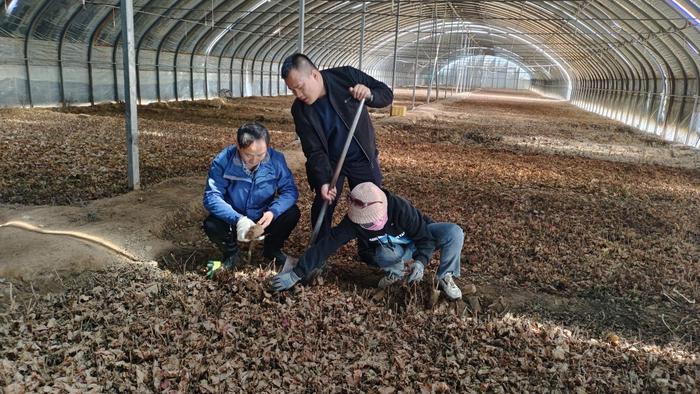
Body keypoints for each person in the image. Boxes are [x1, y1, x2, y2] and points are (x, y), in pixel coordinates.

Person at [281, 54, 393, 261]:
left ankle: (369, 250)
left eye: (299, 86)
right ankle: (319, 251)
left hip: (361, 157)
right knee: (324, 202)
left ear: (314, 75)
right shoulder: (300, 110)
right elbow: (313, 150)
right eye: (292, 90)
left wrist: (370, 95)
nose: (298, 94)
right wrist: (323, 181)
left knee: (372, 202)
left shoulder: (346, 76)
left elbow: (386, 94)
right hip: (331, 162)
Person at [271, 182, 464, 300]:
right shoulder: (353, 222)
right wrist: (297, 274)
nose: (371, 223)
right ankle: (395, 274)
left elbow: (425, 239)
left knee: (454, 232)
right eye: (367, 221)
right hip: (393, 251)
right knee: (386, 253)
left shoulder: (400, 208)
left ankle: (445, 276)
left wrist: (421, 262)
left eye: (374, 219)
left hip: (417, 239)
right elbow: (327, 244)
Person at [202, 122, 300, 271]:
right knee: (212, 224)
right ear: (238, 146)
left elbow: (290, 191)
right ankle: (232, 254)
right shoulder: (223, 161)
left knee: (292, 213)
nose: (254, 160)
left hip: (263, 218)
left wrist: (273, 212)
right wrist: (238, 219)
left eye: (260, 154)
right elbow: (211, 196)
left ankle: (272, 249)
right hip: (234, 218)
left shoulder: (276, 160)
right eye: (248, 154)